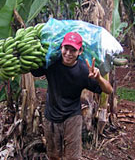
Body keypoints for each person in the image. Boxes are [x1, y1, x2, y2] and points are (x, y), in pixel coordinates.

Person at [31, 32, 113, 160]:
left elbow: (109, 90)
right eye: (66, 48)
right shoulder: (51, 62)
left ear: (80, 52)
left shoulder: (84, 70)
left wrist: (99, 78)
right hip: (51, 114)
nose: (68, 53)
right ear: (61, 48)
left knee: (72, 157)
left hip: (72, 117)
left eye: (73, 50)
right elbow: (34, 71)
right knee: (53, 155)